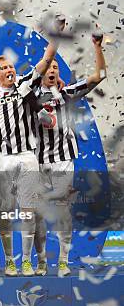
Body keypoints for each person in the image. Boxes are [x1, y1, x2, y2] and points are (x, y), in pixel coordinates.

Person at [32, 31, 107, 277]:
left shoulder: (67, 93)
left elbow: (99, 77)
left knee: (63, 211)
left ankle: (63, 261)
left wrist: (97, 47)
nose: (52, 70)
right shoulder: (28, 97)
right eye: (48, 67)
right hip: (38, 162)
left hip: (64, 161)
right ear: (41, 71)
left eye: (56, 67)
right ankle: (41, 261)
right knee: (38, 215)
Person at [0, 24, 60, 277]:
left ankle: (26, 261)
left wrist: (56, 33)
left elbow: (46, 60)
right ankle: (9, 260)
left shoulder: (24, 86)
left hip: (27, 156)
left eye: (9, 66)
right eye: (2, 69)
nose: (8, 70)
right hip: (3, 159)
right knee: (5, 213)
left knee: (28, 211)